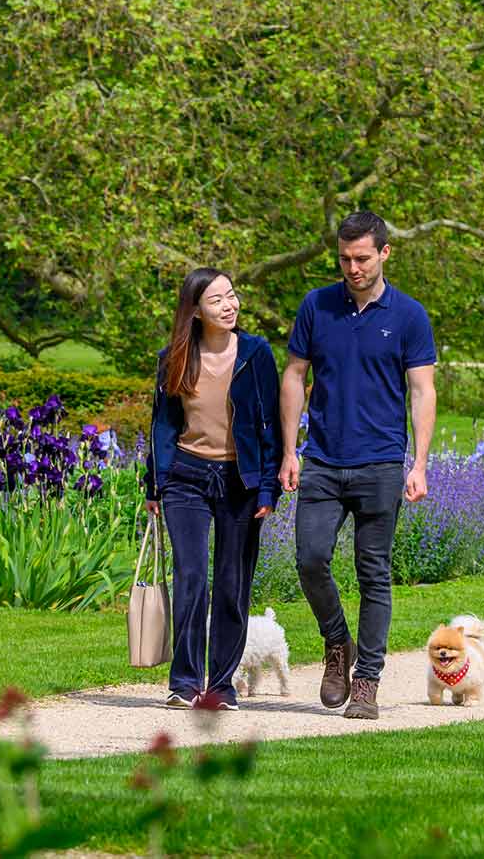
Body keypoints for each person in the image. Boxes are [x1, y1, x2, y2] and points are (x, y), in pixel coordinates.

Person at [278, 211, 437, 720]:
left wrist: (419, 463)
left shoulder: (409, 315)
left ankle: (367, 680)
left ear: (385, 253)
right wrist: (289, 450)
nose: (353, 268)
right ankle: (336, 643)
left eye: (362, 258)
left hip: (381, 463)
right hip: (322, 459)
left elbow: (422, 390)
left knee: (374, 573)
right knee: (310, 559)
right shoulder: (316, 305)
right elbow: (294, 376)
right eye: (345, 259)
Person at [144, 267, 281, 711]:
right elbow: (162, 425)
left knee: (231, 584)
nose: (229, 305)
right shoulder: (173, 357)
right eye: (217, 300)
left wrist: (268, 489)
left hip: (241, 481)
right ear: (196, 311)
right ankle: (184, 682)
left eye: (231, 295)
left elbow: (271, 425)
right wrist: (154, 483)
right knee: (190, 578)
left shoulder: (256, 353)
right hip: (186, 477)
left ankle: (222, 685)